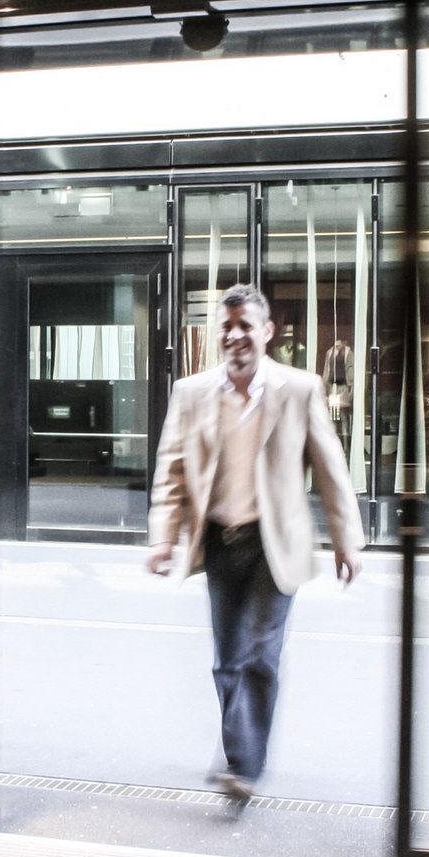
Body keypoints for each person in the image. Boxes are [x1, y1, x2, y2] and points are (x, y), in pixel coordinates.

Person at [145, 284, 364, 804]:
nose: (235, 334)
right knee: (226, 660)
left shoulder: (299, 388)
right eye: (227, 325)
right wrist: (163, 538)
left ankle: (242, 763)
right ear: (216, 333)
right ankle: (240, 753)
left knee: (259, 654)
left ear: (267, 332)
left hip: (275, 543)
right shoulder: (192, 392)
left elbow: (331, 470)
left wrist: (346, 542)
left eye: (246, 325)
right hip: (220, 541)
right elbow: (172, 471)